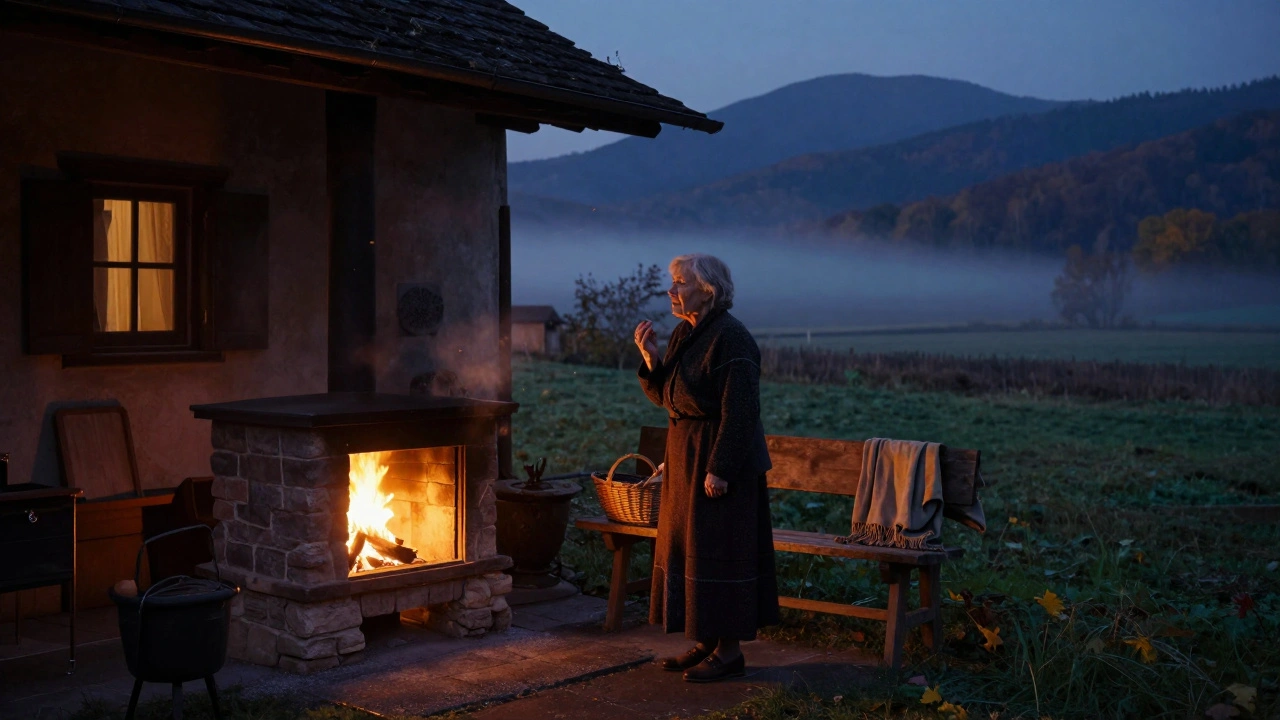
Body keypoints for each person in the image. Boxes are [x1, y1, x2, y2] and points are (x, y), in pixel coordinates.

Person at [633, 253, 779, 683]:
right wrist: (651, 360)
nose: (671, 290)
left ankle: (730, 653)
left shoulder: (732, 339)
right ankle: (705, 640)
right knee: (691, 550)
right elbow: (669, 399)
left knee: (720, 552)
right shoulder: (685, 332)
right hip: (686, 456)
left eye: (681, 282)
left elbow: (742, 412)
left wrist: (721, 468)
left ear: (708, 290)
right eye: (673, 282)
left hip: (717, 462)